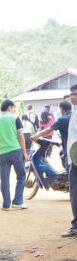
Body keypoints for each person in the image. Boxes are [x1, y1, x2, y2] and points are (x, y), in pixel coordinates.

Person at [0, 100, 29, 210]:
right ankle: (17, 202)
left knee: (4, 179)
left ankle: (6, 204)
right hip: (16, 151)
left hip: (3, 153)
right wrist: (24, 152)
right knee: (21, 176)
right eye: (13, 107)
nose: (14, 110)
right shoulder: (15, 118)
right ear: (9, 107)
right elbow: (21, 136)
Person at [31, 101, 72, 167]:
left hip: (69, 147)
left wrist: (36, 135)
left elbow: (49, 129)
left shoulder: (62, 119)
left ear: (62, 109)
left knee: (69, 165)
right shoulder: (74, 116)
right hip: (70, 143)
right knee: (61, 154)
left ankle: (68, 173)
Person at [63, 84, 77, 237]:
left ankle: (76, 226)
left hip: (75, 160)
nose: (72, 97)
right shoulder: (74, 112)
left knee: (74, 192)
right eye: (71, 94)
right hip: (73, 158)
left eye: (75, 94)